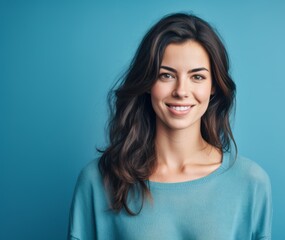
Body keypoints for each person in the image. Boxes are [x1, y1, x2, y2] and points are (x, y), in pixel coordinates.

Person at [68, 13, 272, 240]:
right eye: (166, 75)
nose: (181, 91)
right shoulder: (97, 181)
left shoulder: (250, 183)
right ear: (147, 83)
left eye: (197, 77)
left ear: (214, 86)